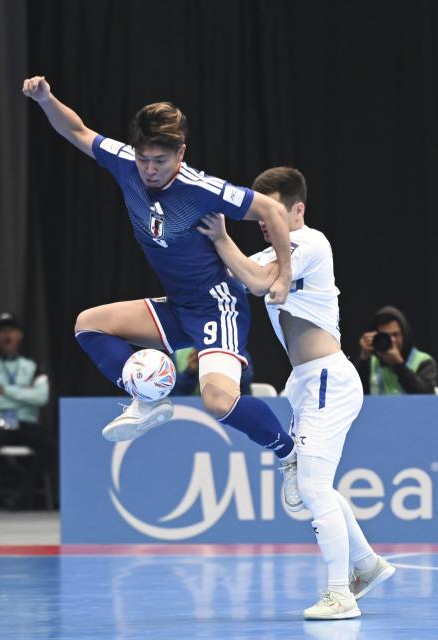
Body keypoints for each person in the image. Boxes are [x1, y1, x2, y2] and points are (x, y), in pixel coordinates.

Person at [22, 75, 302, 510]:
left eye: (160, 160)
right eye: (144, 158)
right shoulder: (124, 163)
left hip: (217, 307)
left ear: (181, 154)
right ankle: (147, 397)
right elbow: (76, 131)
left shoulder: (200, 189)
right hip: (177, 306)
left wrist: (282, 276)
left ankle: (290, 454)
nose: (150, 169)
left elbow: (269, 208)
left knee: (217, 401)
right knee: (88, 325)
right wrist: (45, 99)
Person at [198, 166, 395, 620]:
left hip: (328, 377)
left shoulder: (310, 242)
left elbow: (259, 282)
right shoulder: (271, 252)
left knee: (310, 486)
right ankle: (366, 564)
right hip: (306, 383)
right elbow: (248, 277)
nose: (263, 220)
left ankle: (339, 595)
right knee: (316, 484)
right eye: (260, 212)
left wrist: (221, 237)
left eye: (272, 211)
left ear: (297, 209)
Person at [0, 312, 50, 507]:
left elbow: (41, 397)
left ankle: (21, 496)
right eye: (2, 331)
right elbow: (31, 396)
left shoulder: (33, 366)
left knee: (49, 448)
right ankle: (9, 490)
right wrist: (23, 393)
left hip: (24, 422)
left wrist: (6, 391)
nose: (6, 335)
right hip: (1, 421)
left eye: (10, 330)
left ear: (19, 335)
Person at [356, 305, 437, 394]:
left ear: (404, 334)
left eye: (395, 334)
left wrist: (398, 364)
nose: (392, 340)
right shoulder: (370, 362)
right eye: (385, 336)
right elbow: (354, 394)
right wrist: (364, 358)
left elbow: (428, 396)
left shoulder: (424, 361)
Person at [172, 347, 254, 396]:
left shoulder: (234, 348)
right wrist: (190, 372)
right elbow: (175, 393)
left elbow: (245, 384)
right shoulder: (176, 351)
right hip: (188, 411)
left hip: (230, 407)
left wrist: (223, 366)